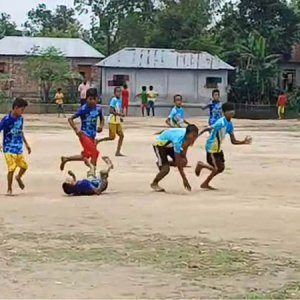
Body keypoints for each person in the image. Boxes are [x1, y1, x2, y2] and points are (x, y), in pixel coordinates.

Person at [195, 102, 252, 190]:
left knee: (221, 168)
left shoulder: (230, 125)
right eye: (229, 110)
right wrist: (196, 136)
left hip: (218, 148)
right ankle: (201, 165)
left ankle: (205, 183)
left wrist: (243, 142)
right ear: (224, 112)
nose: (232, 112)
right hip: (211, 147)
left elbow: (233, 141)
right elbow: (207, 128)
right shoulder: (220, 122)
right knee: (216, 168)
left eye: (232, 110)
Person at [60, 88, 104, 178]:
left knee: (86, 155)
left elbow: (102, 118)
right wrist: (76, 129)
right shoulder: (83, 109)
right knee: (95, 153)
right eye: (90, 99)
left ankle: (66, 158)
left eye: (94, 99)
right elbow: (70, 119)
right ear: (86, 99)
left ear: (97, 99)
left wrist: (101, 126)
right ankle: (92, 173)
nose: (92, 101)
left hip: (92, 135)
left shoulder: (99, 109)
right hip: (84, 135)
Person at [151, 124, 199, 192]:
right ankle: (154, 183)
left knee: (184, 162)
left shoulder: (187, 136)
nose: (194, 138)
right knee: (166, 169)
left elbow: (183, 153)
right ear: (187, 134)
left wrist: (183, 159)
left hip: (170, 144)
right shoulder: (178, 140)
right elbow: (178, 160)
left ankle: (161, 163)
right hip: (160, 145)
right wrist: (184, 179)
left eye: (196, 136)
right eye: (193, 136)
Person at [0, 98, 31, 196]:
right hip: (8, 147)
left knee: (24, 166)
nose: (22, 112)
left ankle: (18, 177)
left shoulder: (21, 119)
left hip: (18, 147)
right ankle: (9, 188)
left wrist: (26, 144)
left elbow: (21, 132)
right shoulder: (6, 120)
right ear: (16, 108)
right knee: (12, 168)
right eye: (22, 110)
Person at [97, 87, 125, 157]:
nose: (119, 93)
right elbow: (111, 111)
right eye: (117, 92)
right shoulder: (113, 100)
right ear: (114, 93)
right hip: (112, 120)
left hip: (117, 121)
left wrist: (120, 117)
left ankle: (118, 151)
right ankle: (98, 140)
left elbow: (118, 110)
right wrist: (119, 114)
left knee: (121, 135)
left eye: (120, 92)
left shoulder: (120, 101)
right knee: (112, 137)